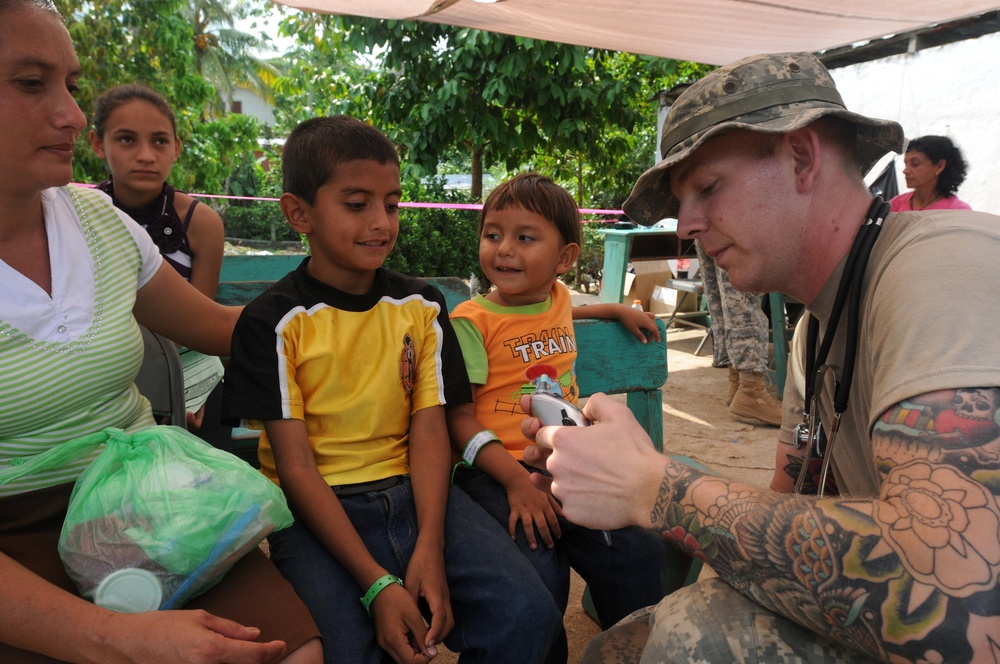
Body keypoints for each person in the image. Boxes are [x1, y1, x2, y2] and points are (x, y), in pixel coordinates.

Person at [520, 51, 1000, 663]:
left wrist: (656, 487)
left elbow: (965, 602)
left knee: (693, 634)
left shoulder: (941, 271)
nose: (686, 224)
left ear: (801, 157)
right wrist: (611, 479)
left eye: (708, 188)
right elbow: (789, 505)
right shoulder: (814, 333)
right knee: (622, 648)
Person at [0, 1, 321, 662]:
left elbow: (221, 329)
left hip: (148, 496)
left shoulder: (98, 219)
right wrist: (118, 639)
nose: (66, 113)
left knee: (291, 652)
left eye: (69, 84)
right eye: (31, 83)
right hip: (16, 528)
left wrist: (350, 314)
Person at [221, 116, 562, 664]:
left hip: (420, 494)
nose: (381, 222)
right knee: (350, 652)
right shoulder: (274, 322)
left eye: (392, 203)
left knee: (525, 614)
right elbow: (297, 469)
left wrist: (428, 545)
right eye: (357, 204)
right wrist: (379, 584)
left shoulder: (421, 307)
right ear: (297, 213)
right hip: (316, 513)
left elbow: (430, 427)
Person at [446, 173, 678, 663]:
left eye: (525, 238)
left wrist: (616, 309)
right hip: (499, 472)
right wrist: (514, 482)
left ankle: (632, 652)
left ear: (565, 258)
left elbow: (568, 311)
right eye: (493, 235)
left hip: (571, 463)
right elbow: (459, 420)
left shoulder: (553, 298)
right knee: (540, 570)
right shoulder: (471, 323)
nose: (504, 250)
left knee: (639, 551)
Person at [88, 83, 227, 432]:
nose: (146, 155)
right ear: (96, 144)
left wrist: (184, 390)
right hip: (100, 377)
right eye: (126, 140)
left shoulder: (200, 223)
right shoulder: (81, 216)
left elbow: (196, 322)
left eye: (160, 141)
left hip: (188, 366)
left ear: (177, 148)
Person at [694, 240, 782, 426]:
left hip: (703, 218)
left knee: (723, 296)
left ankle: (737, 382)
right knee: (743, 293)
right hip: (734, 218)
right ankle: (751, 390)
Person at [890, 135, 971, 212]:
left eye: (915, 164)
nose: (905, 171)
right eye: (906, 164)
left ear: (940, 166)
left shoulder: (959, 211)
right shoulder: (895, 205)